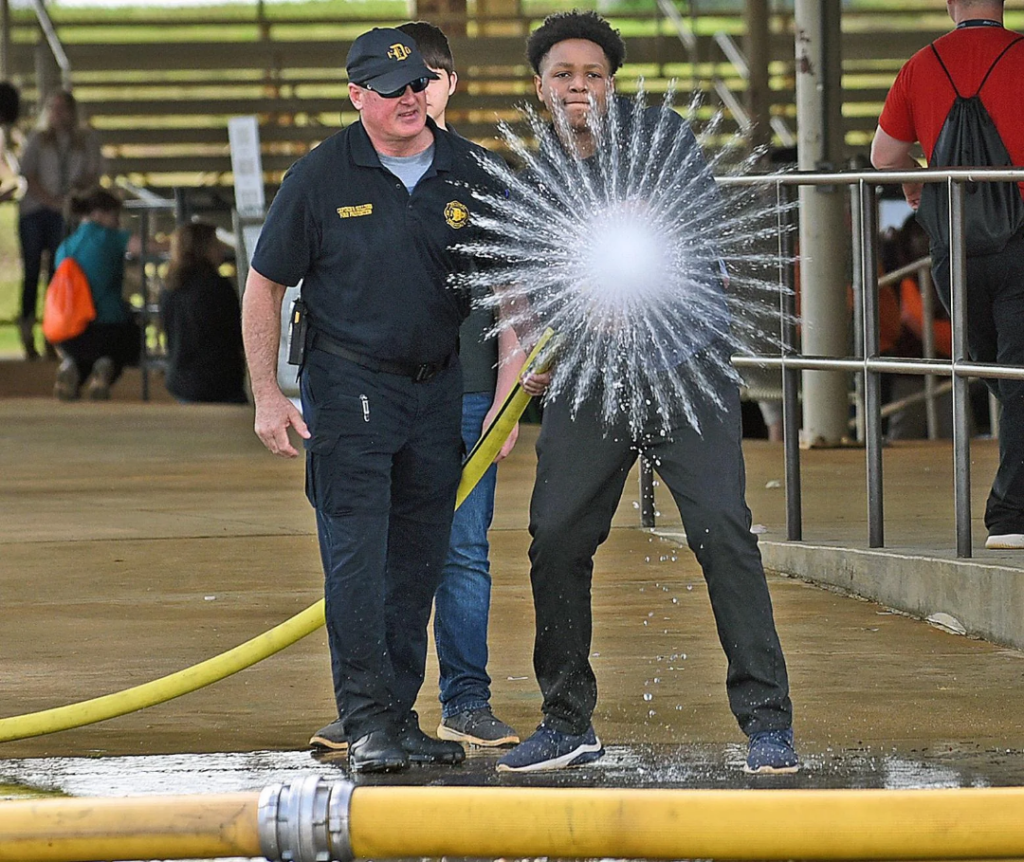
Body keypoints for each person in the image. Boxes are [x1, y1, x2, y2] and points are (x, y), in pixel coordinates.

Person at [494, 10, 797, 774]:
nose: (578, 87)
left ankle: (768, 724)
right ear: (540, 87)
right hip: (591, 382)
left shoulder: (661, 139)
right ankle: (568, 721)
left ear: (611, 84)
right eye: (563, 74)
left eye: (593, 74)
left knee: (723, 531)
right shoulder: (536, 172)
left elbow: (670, 230)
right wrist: (531, 346)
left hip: (683, 367)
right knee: (556, 537)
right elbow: (524, 280)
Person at [242, 27, 526, 774]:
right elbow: (265, 284)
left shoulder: (471, 171)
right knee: (358, 563)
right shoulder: (320, 177)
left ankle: (397, 718)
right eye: (391, 88)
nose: (409, 99)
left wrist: (511, 393)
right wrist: (267, 392)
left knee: (418, 562)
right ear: (357, 96)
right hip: (349, 388)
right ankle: (366, 721)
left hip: (436, 389)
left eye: (417, 85)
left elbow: (512, 289)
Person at [871, 0, 1024, 548]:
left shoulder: (920, 65)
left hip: (953, 249)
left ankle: (1011, 506)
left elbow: (883, 154)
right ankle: (1010, 516)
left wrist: (919, 181)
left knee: (992, 368)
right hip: (1020, 244)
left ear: (949, 3)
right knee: (1017, 374)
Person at [18, 89, 104, 360]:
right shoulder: (38, 140)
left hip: (67, 212)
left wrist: (73, 195)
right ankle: (27, 329)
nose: (58, 114)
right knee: (33, 270)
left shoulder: (85, 140)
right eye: (53, 108)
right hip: (35, 211)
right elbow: (28, 175)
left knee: (58, 273)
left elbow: (93, 172)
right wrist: (51, 200)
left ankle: (54, 331)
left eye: (63, 109)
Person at [51, 187, 140, 401]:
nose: (118, 222)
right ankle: (107, 368)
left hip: (69, 334)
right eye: (114, 216)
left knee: (83, 354)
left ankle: (71, 365)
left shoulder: (64, 247)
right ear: (98, 214)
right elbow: (145, 246)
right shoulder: (110, 238)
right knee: (131, 337)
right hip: (108, 330)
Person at [159, 222, 247, 405]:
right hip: (219, 382)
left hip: (181, 380)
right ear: (203, 248)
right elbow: (236, 332)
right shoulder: (216, 286)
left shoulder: (169, 286)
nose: (221, 248)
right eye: (215, 243)